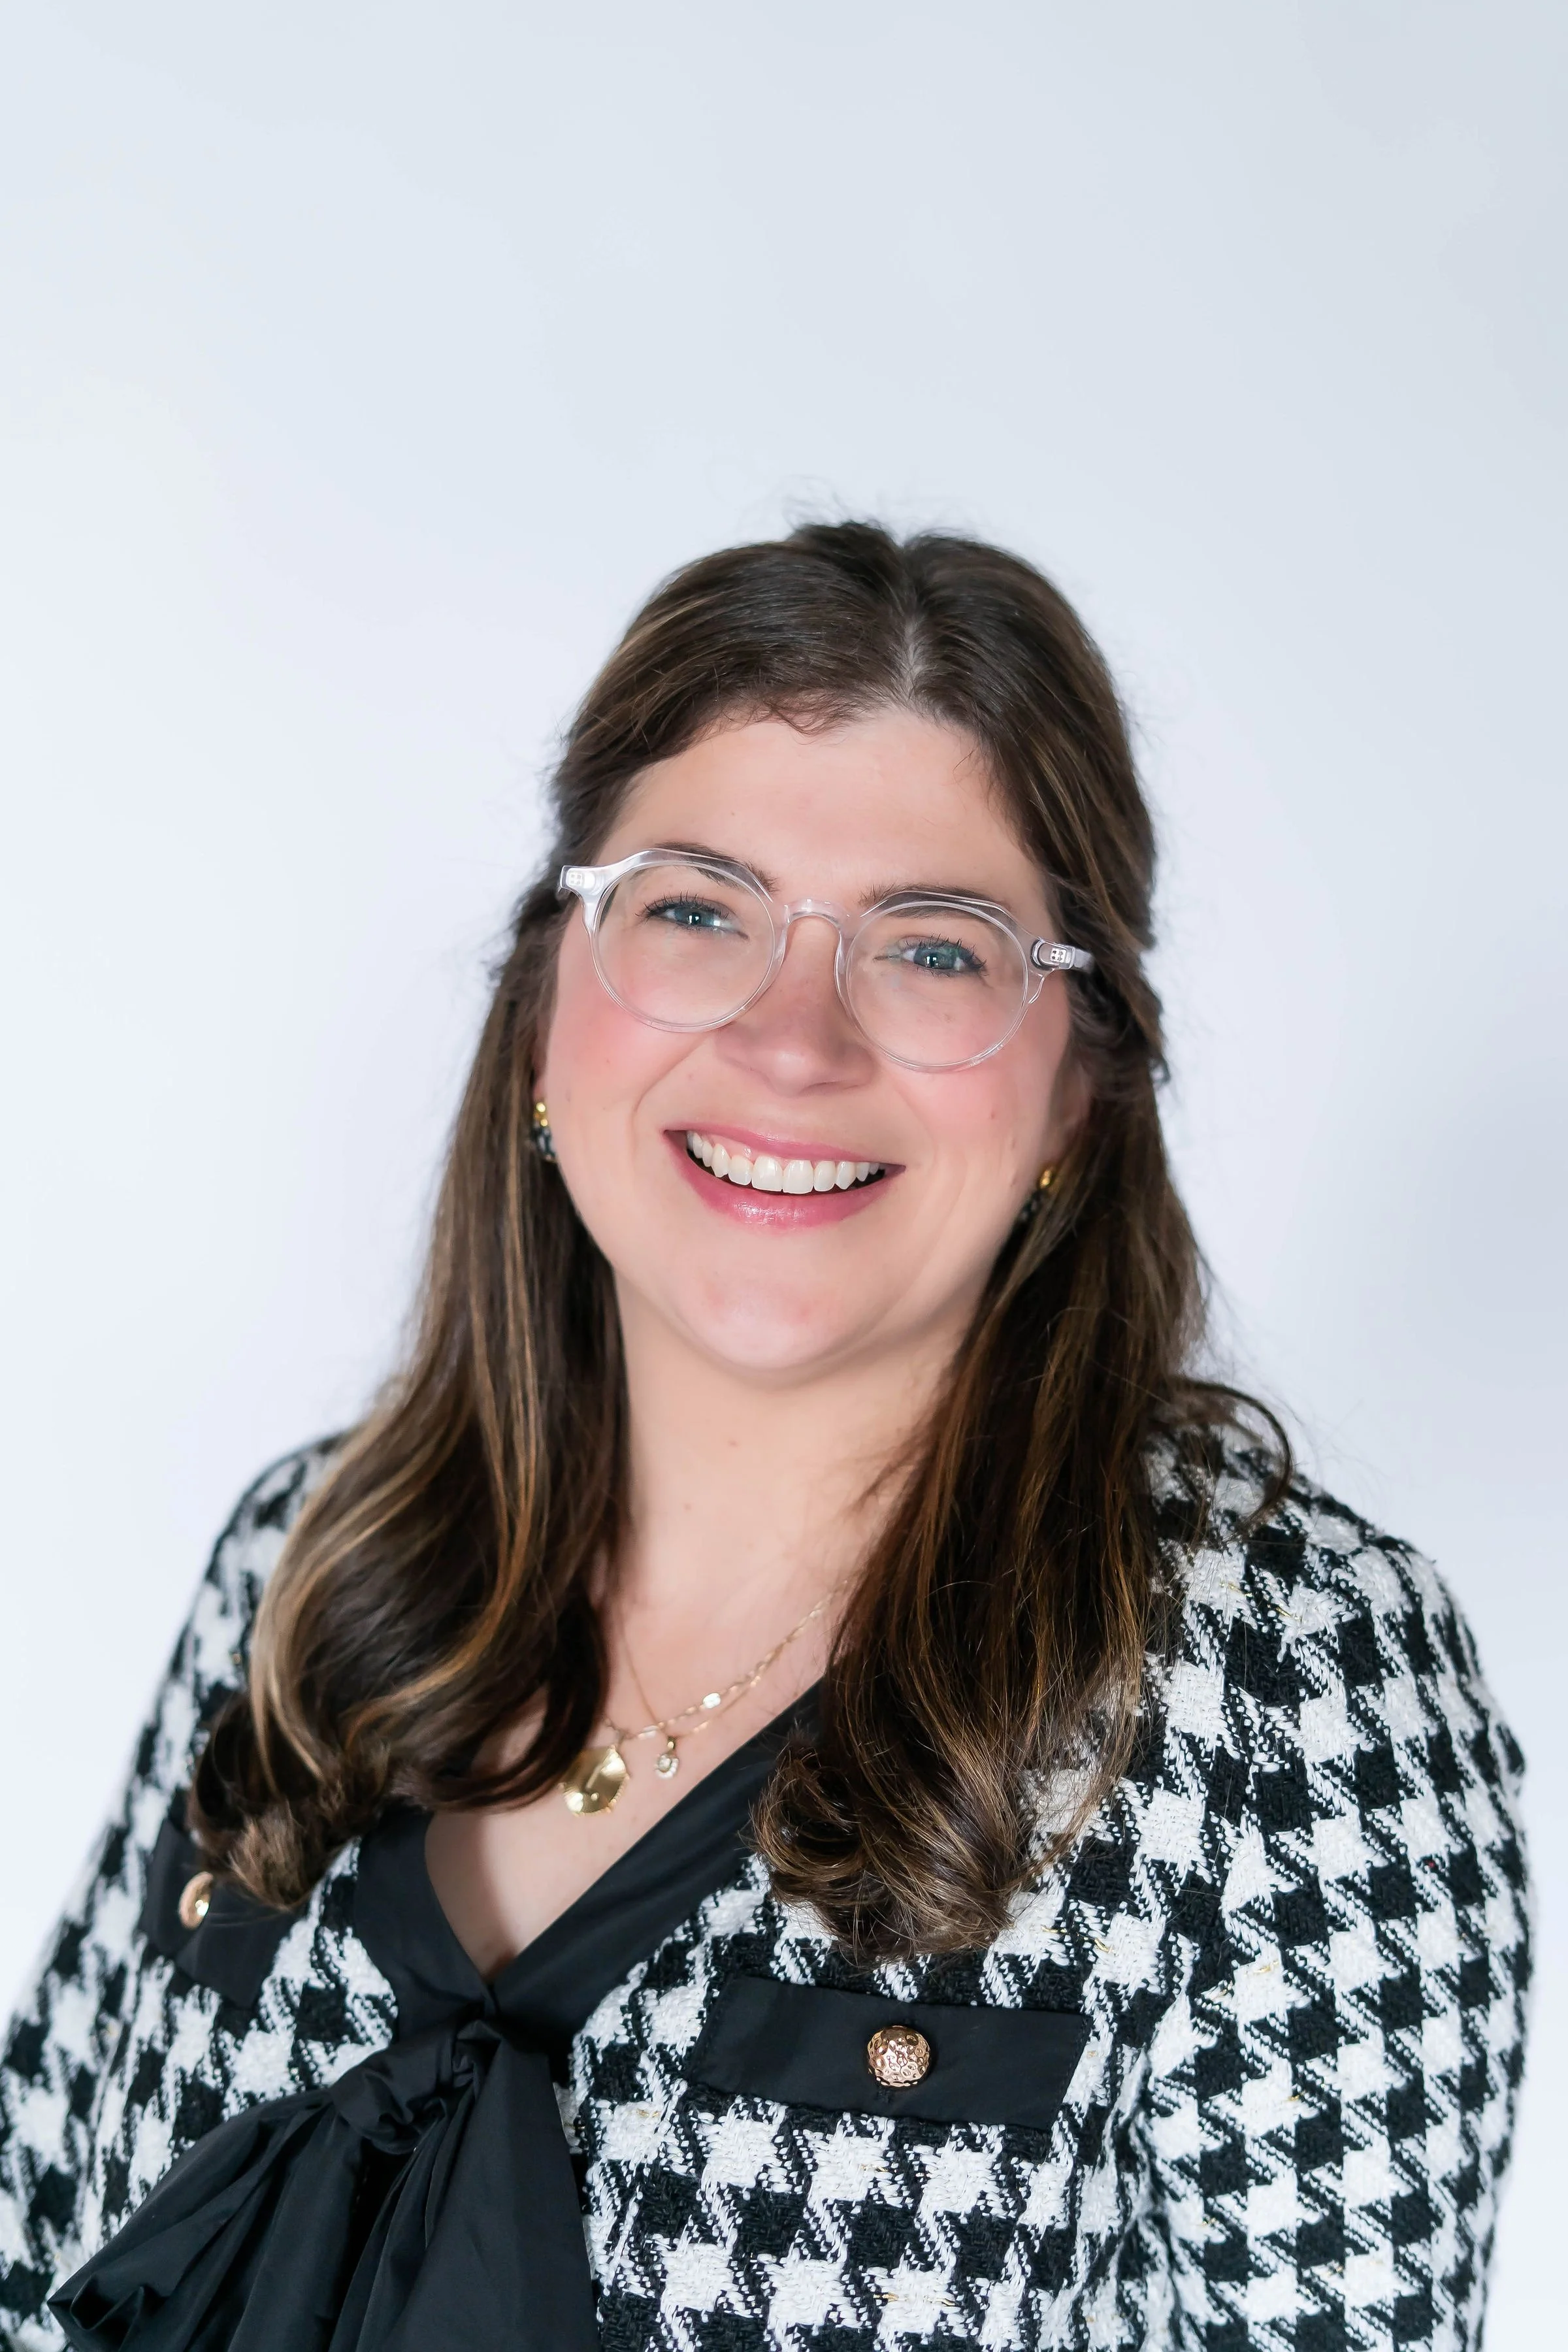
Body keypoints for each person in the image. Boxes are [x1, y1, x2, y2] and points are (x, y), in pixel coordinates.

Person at [0, 523, 1527, 2352]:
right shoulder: (313, 1562)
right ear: (555, 999)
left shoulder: (1285, 1700)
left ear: (1079, 1083)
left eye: (935, 950)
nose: (794, 1039)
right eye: (700, 909)